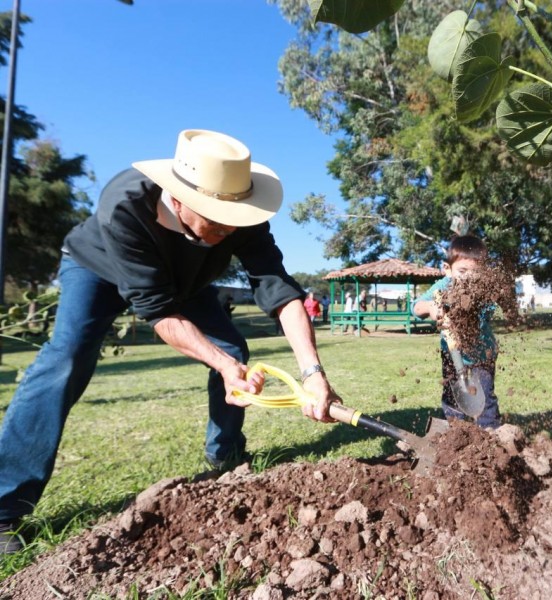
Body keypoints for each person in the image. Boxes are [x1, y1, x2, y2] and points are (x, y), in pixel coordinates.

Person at [0, 129, 340, 554]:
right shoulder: (124, 204)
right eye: (215, 223)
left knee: (232, 352)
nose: (226, 233)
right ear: (178, 199)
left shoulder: (240, 215)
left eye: (232, 225)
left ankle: (226, 459)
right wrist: (217, 362)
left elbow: (279, 289)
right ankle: (4, 510)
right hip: (97, 269)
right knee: (66, 360)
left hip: (186, 282)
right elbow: (158, 308)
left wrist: (312, 372)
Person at [412, 235, 501, 429]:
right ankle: (456, 432)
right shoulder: (443, 286)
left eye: (475, 272)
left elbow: (478, 317)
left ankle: (492, 435)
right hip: (451, 355)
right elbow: (416, 308)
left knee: (484, 398)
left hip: (482, 355)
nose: (469, 277)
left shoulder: (484, 293)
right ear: (447, 269)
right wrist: (432, 308)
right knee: (452, 398)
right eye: (462, 271)